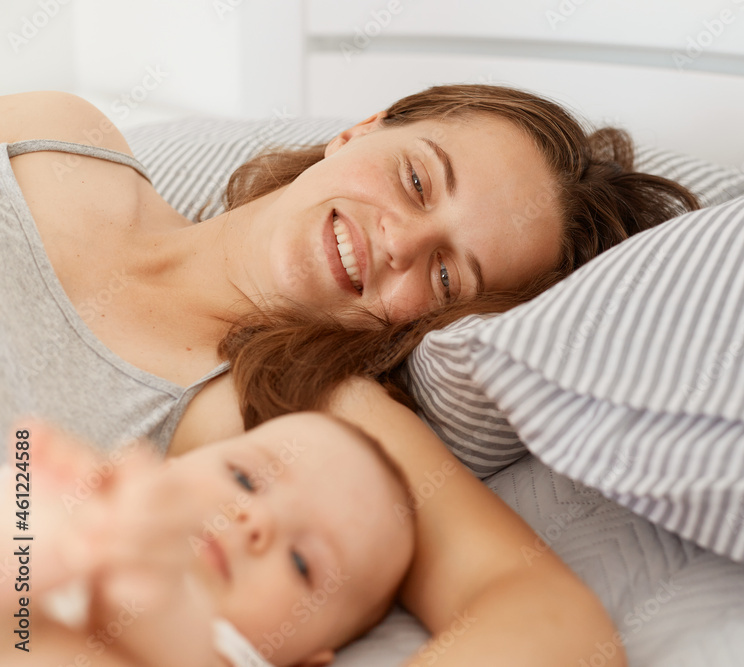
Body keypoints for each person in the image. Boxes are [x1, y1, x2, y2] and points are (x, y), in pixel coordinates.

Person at [1, 84, 698, 665]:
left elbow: (550, 620)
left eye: (448, 274)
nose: (401, 239)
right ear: (360, 130)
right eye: (418, 180)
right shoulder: (58, 135)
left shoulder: (307, 419)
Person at [1, 411, 415, 667]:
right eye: (243, 478)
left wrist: (153, 582)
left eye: (301, 563)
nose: (254, 520)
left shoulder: (225, 651)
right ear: (171, 464)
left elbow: (175, 645)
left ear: (308, 662)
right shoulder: (110, 506)